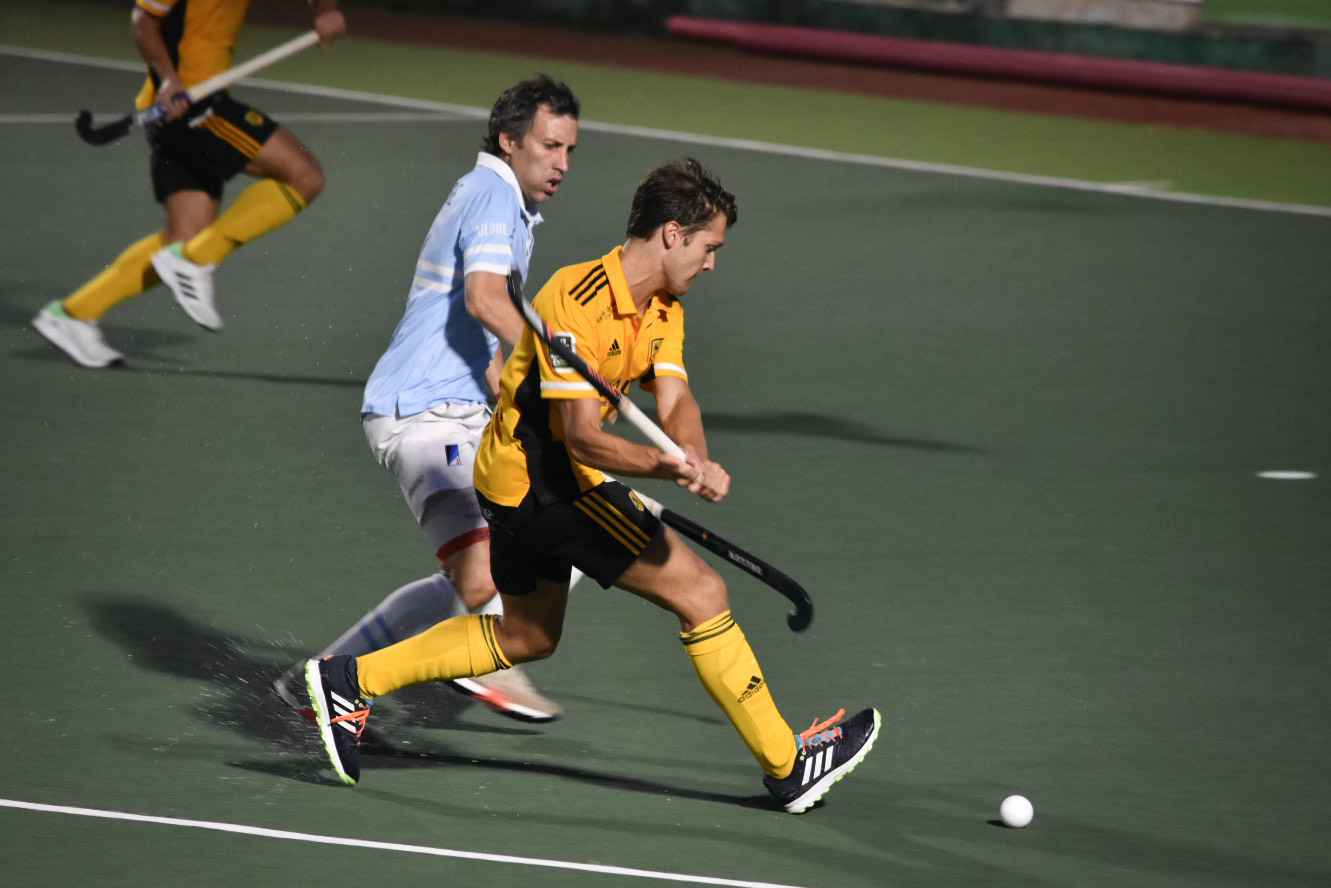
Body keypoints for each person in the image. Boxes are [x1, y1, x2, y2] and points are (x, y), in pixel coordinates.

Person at [304, 159, 880, 814]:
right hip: (543, 485)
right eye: (709, 247)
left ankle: (349, 680)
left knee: (526, 637)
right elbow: (581, 438)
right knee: (701, 592)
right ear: (671, 234)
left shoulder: (662, 308)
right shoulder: (571, 301)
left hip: (526, 482)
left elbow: (675, 392)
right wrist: (663, 468)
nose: (713, 263)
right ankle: (787, 765)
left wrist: (690, 451)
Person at [274, 76, 581, 728]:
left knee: (534, 545)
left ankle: (322, 685)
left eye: (569, 151)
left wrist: (517, 389)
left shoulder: (497, 200)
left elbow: (475, 330)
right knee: (485, 578)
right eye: (550, 146)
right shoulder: (494, 196)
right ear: (509, 140)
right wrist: (556, 368)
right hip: (426, 414)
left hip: (448, 407)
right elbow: (484, 302)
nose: (561, 164)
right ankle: (486, 660)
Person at [32, 0, 346, 368]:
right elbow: (143, 19)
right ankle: (196, 261)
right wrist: (168, 79)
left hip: (192, 103)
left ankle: (72, 314)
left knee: (183, 236)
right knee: (304, 175)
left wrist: (324, 9)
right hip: (188, 103)